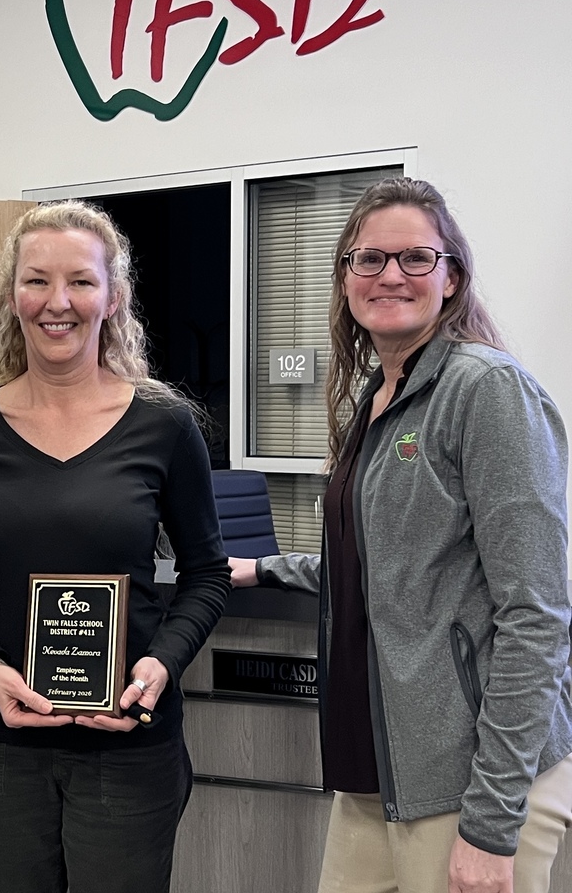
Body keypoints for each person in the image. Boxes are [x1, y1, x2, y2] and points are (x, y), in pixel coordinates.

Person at [230, 177, 572, 893]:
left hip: (468, 778)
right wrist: (266, 568)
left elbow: (537, 616)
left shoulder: (486, 390)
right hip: (378, 770)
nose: (391, 275)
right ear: (345, 278)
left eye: (416, 257)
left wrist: (491, 821)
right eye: (369, 259)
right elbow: (384, 558)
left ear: (452, 278)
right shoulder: (380, 395)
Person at [0, 201, 229, 893]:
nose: (57, 302)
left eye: (81, 281)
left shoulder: (165, 425)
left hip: (128, 741)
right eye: (37, 281)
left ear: (113, 297)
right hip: (0, 743)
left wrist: (160, 667)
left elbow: (206, 574)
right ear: (12, 297)